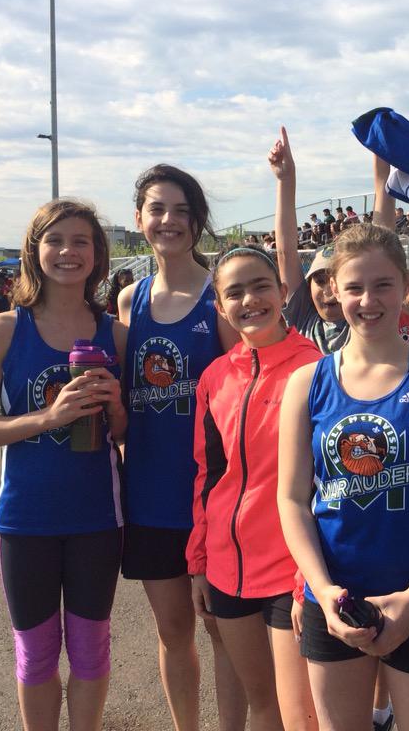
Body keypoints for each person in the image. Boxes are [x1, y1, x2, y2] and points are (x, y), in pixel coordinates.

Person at [277, 223, 409, 731]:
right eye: (354, 287)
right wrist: (322, 592)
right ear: (333, 291)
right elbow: (292, 499)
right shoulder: (308, 382)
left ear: (405, 285)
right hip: (334, 601)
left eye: (383, 284)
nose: (369, 300)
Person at [0, 199, 128, 730]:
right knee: (35, 653)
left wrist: (116, 407)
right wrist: (47, 417)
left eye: (81, 241)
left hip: (97, 518)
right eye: (54, 240)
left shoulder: (116, 334)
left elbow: (125, 437)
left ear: (97, 253)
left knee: (91, 650)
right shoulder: (4, 330)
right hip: (26, 518)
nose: (67, 252)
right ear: (35, 251)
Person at [116, 164, 245, 731]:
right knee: (173, 635)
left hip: (212, 500)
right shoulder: (128, 301)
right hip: (148, 497)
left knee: (224, 634)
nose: (168, 220)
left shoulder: (220, 300)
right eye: (156, 209)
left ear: (197, 221)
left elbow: (245, 393)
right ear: (139, 219)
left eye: (180, 210)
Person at [188, 246, 320, 731]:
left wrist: (312, 579)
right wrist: (199, 562)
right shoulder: (215, 377)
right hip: (226, 567)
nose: (250, 300)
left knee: (299, 714)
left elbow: (326, 486)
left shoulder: (317, 370)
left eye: (261, 285)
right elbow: (207, 475)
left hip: (292, 571)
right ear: (220, 308)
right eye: (234, 292)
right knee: (260, 703)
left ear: (284, 291)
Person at [271, 127, 396, 355]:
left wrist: (383, 168)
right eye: (319, 280)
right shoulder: (303, 318)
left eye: (336, 279)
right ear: (306, 287)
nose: (329, 288)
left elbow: (383, 243)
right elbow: (286, 253)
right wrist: (285, 179)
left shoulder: (364, 321)